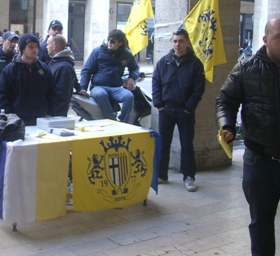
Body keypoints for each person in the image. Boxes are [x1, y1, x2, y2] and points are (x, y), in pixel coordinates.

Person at [216, 17, 280, 256]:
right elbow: (225, 100)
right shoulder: (246, 68)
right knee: (261, 223)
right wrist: (227, 124)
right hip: (260, 162)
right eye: (279, 37)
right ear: (265, 40)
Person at [152, 28, 205, 192]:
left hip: (185, 111)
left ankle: (188, 177)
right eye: (175, 41)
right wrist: (159, 104)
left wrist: (189, 108)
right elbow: (156, 83)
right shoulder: (164, 62)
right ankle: (162, 175)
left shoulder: (195, 64)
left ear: (187, 42)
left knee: (187, 144)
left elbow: (199, 88)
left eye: (181, 41)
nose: (178, 44)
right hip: (166, 109)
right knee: (164, 144)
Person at [78, 29, 139, 123]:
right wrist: (83, 88)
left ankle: (124, 124)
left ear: (120, 43)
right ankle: (112, 121)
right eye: (108, 40)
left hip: (116, 88)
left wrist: (132, 78)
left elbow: (135, 68)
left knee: (129, 96)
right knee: (101, 94)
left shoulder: (126, 54)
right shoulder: (97, 51)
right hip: (98, 87)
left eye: (113, 41)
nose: (109, 42)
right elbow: (87, 70)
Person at [0, 33, 57, 126]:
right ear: (22, 49)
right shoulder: (10, 70)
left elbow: (52, 92)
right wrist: (10, 116)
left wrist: (50, 113)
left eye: (36, 46)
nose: (34, 49)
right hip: (17, 120)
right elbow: (2, 96)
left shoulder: (44, 69)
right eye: (30, 47)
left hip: (41, 118)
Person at [47, 34, 80, 116]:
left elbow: (62, 95)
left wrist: (50, 112)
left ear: (54, 46)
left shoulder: (64, 67)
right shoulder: (55, 62)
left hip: (55, 115)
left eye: (48, 44)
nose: (46, 47)